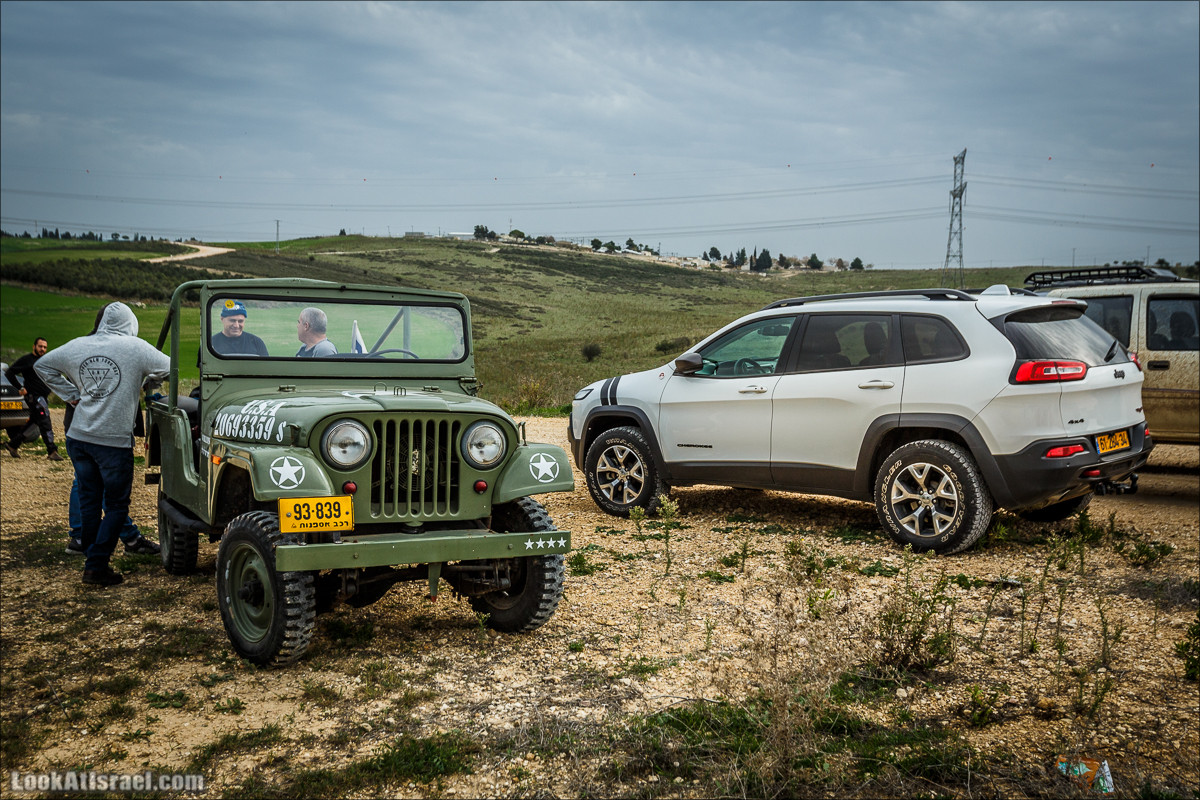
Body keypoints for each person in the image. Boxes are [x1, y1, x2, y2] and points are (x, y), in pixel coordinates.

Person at [35, 302, 170, 587]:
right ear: (130, 324)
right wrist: (148, 377)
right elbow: (172, 368)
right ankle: (96, 566)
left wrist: (71, 394)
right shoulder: (136, 348)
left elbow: (41, 365)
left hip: (79, 438)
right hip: (112, 442)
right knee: (117, 505)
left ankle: (91, 558)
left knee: (90, 501)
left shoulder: (79, 345)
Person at [4, 338, 65, 461]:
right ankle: (52, 451)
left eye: (45, 347)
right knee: (45, 422)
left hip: (43, 397)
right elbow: (9, 373)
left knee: (34, 422)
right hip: (34, 397)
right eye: (40, 346)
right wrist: (20, 387)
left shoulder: (45, 360)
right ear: (34, 347)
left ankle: (13, 445)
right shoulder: (27, 360)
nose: (42, 349)